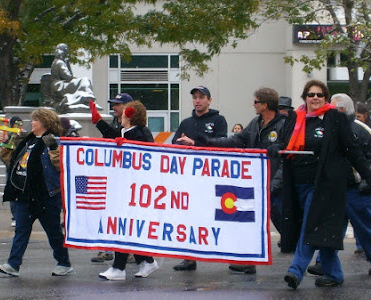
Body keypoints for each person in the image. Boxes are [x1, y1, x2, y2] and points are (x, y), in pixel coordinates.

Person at [268, 80, 371, 289]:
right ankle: (334, 273)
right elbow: (284, 142)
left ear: (325, 98)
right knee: (323, 231)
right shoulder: (295, 118)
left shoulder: (335, 119)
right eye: (311, 94)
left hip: (323, 185)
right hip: (297, 184)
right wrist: (275, 148)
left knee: (310, 226)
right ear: (305, 97)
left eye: (320, 95)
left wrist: (368, 175)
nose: (315, 98)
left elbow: (353, 152)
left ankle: (296, 270)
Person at [177, 87, 287, 274]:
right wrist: (204, 143)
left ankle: (306, 251)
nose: (253, 104)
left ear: (265, 105)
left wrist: (276, 183)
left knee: (286, 223)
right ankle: (250, 261)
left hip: (276, 181)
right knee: (251, 220)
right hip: (257, 181)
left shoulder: (283, 125)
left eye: (256, 102)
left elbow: (286, 157)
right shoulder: (256, 123)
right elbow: (235, 140)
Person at [0, 108, 73, 277]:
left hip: (46, 196)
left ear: (45, 122)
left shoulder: (55, 142)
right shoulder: (27, 141)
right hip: (25, 195)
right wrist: (5, 145)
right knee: (21, 231)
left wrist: (53, 148)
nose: (32, 123)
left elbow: (61, 166)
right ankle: (13, 264)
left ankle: (64, 263)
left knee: (53, 233)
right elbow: (11, 160)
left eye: (35, 120)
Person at [306, 93, 371, 277]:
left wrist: (366, 180)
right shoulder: (327, 127)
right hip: (334, 188)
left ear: (341, 110)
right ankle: (323, 264)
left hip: (356, 190)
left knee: (365, 229)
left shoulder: (362, 130)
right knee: (330, 228)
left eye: (331, 108)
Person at [98, 101, 159, 281]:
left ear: (130, 115)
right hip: (125, 186)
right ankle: (146, 260)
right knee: (126, 228)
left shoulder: (140, 133)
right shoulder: (127, 132)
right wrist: (97, 120)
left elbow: (143, 152)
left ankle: (119, 268)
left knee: (123, 226)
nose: (120, 116)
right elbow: (111, 135)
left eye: (124, 113)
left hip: (135, 189)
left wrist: (125, 144)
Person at [171, 85, 227, 271]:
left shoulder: (218, 120)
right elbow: (175, 143)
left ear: (209, 100)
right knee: (188, 217)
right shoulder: (186, 122)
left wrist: (194, 143)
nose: (198, 100)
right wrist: (182, 143)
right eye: (195, 97)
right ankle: (189, 257)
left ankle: (236, 257)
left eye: (202, 97)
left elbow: (222, 145)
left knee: (219, 218)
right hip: (188, 179)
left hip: (210, 178)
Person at [89, 92, 135, 263]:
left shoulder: (134, 125)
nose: (114, 107)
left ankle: (130, 252)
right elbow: (109, 139)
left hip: (128, 179)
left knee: (125, 214)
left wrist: (99, 122)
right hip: (114, 175)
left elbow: (116, 137)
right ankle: (106, 249)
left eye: (118, 104)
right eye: (113, 104)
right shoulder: (117, 121)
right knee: (107, 212)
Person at [51, 43, 101, 113]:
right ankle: (88, 97)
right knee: (84, 80)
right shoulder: (60, 62)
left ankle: (86, 98)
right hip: (60, 86)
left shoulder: (57, 61)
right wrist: (74, 78)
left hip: (58, 85)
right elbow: (67, 76)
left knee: (83, 81)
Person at [0, 116, 27, 227]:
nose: (18, 126)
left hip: (23, 167)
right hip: (11, 168)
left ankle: (24, 215)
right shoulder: (8, 137)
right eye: (15, 124)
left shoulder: (26, 136)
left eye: (19, 124)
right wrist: (5, 142)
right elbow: (3, 155)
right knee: (13, 192)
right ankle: (15, 216)